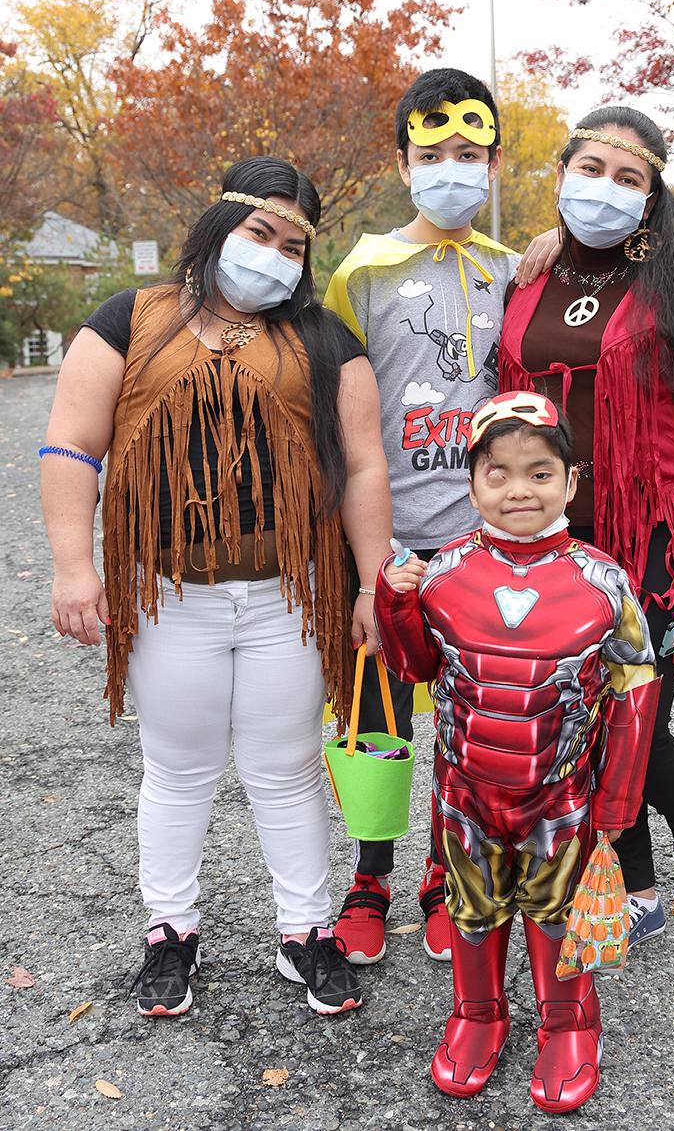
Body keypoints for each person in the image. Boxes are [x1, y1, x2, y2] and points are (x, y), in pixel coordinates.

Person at [39, 156, 392, 1019]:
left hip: (287, 595)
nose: (273, 256)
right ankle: (171, 932)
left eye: (294, 245)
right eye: (259, 232)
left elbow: (364, 466)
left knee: (287, 769)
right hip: (168, 594)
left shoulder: (323, 339)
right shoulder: (131, 318)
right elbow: (72, 443)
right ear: (217, 226)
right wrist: (73, 565)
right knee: (179, 770)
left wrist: (371, 586)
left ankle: (306, 933)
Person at [500, 107, 674, 946]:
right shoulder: (531, 275)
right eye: (591, 169)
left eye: (628, 177)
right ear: (563, 173)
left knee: (631, 718)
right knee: (581, 721)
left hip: (650, 540)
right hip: (551, 543)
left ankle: (669, 851)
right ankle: (656, 865)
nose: (604, 189)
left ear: (652, 198)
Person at [374, 391, 660, 1113]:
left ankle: (569, 1026)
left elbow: (634, 688)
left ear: (571, 481)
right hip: (466, 793)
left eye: (539, 472)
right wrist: (394, 604)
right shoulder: (440, 574)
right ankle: (477, 1016)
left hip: (559, 796)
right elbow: (415, 669)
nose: (518, 489)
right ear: (470, 484)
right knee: (473, 910)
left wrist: (621, 796)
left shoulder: (604, 581)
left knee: (557, 911)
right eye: (496, 473)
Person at [324, 68, 521, 966]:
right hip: (386, 547)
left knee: (469, 725)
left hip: (479, 550)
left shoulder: (516, 272)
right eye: (434, 154)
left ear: (493, 166)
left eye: (470, 155)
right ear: (403, 165)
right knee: (375, 720)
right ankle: (370, 880)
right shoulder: (360, 273)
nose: (453, 169)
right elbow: (330, 415)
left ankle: (448, 874)